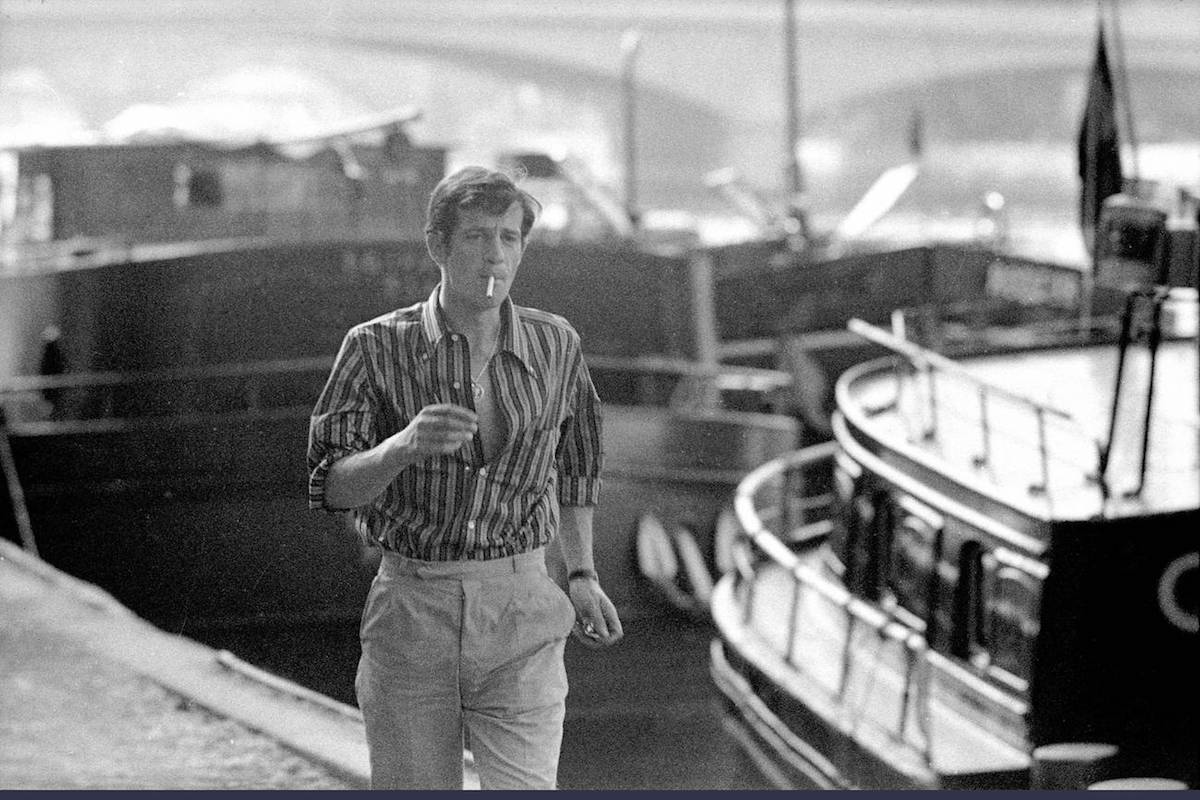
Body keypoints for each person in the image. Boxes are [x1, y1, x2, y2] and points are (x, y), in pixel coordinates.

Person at [307, 166, 623, 790]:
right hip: (413, 613)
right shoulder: (374, 347)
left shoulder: (555, 343)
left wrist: (581, 573)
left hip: (522, 608)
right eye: (478, 236)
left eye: (509, 238)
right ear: (438, 246)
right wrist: (401, 448)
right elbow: (328, 484)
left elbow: (578, 463)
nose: (495, 254)